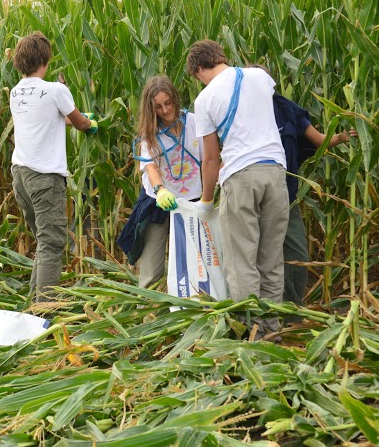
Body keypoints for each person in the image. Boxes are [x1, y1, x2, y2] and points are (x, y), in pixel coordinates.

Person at [187, 40, 289, 336]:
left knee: (242, 262)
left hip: (240, 177)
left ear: (198, 69)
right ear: (221, 57)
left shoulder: (205, 99)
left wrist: (207, 201)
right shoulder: (260, 77)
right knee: (271, 260)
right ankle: (272, 331)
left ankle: (251, 335)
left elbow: (210, 158)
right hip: (274, 172)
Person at [9, 31, 98, 302]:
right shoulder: (55, 89)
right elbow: (80, 123)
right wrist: (90, 122)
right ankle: (44, 309)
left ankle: (34, 302)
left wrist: (77, 118)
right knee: (52, 243)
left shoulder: (15, 91)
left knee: (43, 241)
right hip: (45, 177)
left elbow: (52, 119)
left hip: (20, 174)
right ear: (45, 61)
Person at [271, 88, 357, 306]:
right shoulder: (240, 112)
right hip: (256, 197)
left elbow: (318, 140)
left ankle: (290, 309)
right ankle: (264, 310)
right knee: (263, 256)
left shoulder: (287, 110)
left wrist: (342, 137)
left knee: (297, 254)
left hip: (287, 195)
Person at [117, 76, 203, 288]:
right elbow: (150, 167)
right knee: (151, 268)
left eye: (168, 103)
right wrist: (161, 190)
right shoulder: (149, 133)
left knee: (190, 264)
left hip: (192, 202)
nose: (165, 110)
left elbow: (211, 157)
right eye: (158, 107)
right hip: (159, 202)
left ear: (175, 99)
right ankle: (147, 312)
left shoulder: (194, 122)